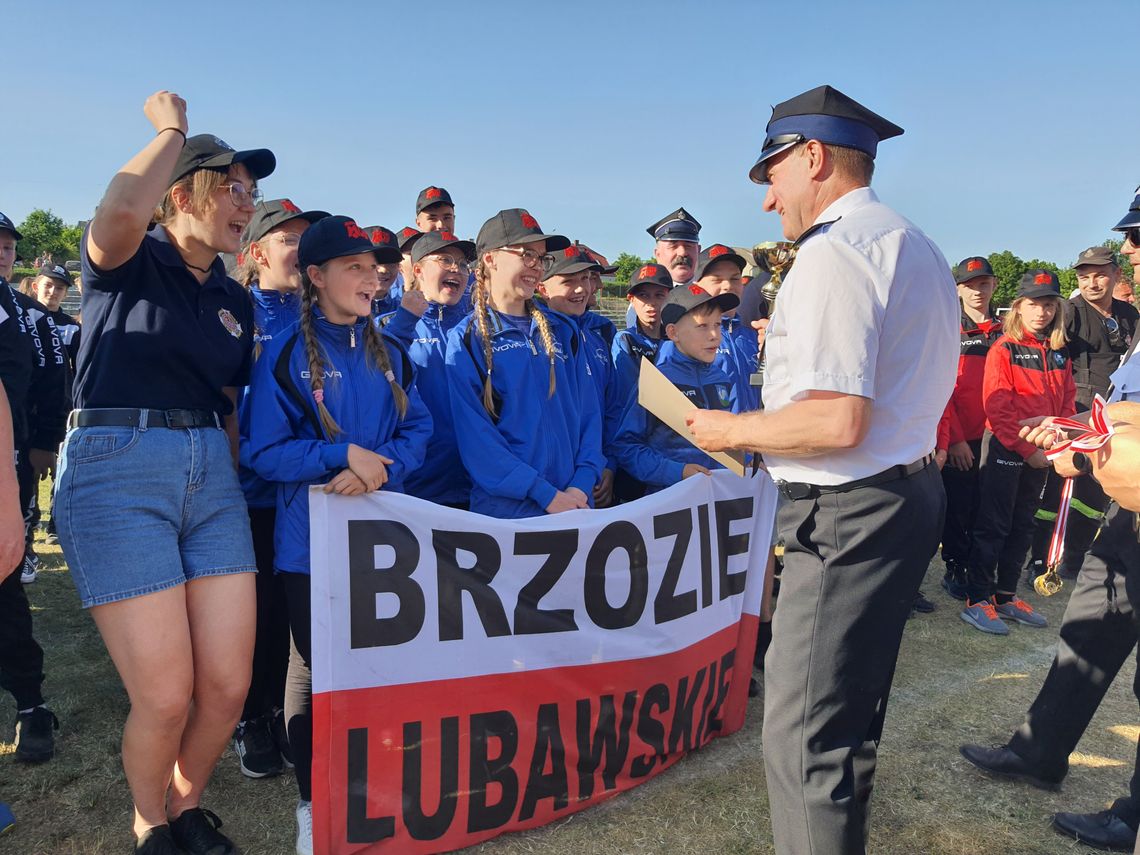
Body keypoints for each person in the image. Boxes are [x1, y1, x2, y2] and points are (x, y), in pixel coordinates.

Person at [685, 85, 958, 854]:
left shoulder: (836, 252)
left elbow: (837, 419)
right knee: (845, 727)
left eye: (772, 175)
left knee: (805, 741)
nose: (770, 201)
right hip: (899, 496)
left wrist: (729, 427)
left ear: (812, 157)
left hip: (847, 512)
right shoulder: (916, 243)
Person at [54, 91, 274, 855]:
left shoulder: (235, 303)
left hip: (209, 474)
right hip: (117, 468)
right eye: (232, 187)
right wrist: (172, 133)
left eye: (254, 191)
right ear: (182, 192)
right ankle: (149, 821)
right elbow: (120, 208)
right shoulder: (127, 258)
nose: (247, 203)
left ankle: (184, 807)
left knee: (226, 686)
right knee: (165, 692)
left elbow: (230, 403)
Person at [959, 190, 1140, 852]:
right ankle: (1038, 752)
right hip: (1127, 515)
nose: (1127, 250)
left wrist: (1079, 443)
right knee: (1087, 633)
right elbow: (1115, 416)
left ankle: (1135, 814)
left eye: (1138, 237)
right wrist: (1071, 435)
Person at [246, 214, 431, 855]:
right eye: (353, 267)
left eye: (374, 267)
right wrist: (338, 456)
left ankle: (378, 787)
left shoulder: (393, 353)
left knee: (382, 662)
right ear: (315, 277)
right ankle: (313, 803)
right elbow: (264, 454)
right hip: (309, 544)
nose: (371, 277)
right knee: (317, 667)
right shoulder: (284, 354)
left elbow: (419, 433)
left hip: (385, 540)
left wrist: (379, 469)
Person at [232, 198, 327, 781]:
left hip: (311, 492)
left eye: (305, 239)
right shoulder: (234, 311)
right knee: (255, 618)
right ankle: (252, 717)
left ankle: (295, 716)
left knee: (302, 621)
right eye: (286, 238)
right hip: (247, 494)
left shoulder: (325, 315)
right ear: (256, 252)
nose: (298, 248)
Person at [445, 208, 604, 519]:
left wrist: (580, 486)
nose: (536, 267)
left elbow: (589, 415)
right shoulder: (466, 339)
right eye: (527, 255)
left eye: (541, 259)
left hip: (576, 506)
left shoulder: (564, 330)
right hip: (510, 515)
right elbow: (478, 440)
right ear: (490, 259)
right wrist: (545, 495)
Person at [958, 271, 1074, 634]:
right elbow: (999, 409)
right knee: (993, 524)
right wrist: (1028, 449)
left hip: (1042, 453)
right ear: (1019, 307)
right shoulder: (1003, 348)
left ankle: (1005, 597)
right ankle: (977, 599)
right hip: (1007, 449)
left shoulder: (1059, 353)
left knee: (1023, 523)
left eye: (1049, 305)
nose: (1042, 312)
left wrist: (1057, 440)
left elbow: (1067, 404)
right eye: (1034, 304)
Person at [1028, 246, 1137, 580]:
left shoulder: (1130, 316)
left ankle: (1074, 559)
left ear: (1116, 275)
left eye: (1100, 274)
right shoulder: (1069, 312)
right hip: (1075, 412)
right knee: (1055, 492)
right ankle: (1040, 561)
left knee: (1093, 496)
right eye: (1084, 277)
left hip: (1119, 415)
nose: (1092, 283)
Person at [0, 211, 61, 763]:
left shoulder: (28, 316)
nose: (0, 251)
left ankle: (30, 704)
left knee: (4, 585)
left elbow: (48, 381)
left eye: (7, 244)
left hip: (8, 462)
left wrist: (42, 442)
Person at [613, 284, 743, 491]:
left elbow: (733, 436)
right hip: (671, 503)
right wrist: (676, 472)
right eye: (702, 326)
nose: (714, 335)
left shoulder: (722, 377)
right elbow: (626, 446)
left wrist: (750, 465)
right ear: (673, 333)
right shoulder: (656, 382)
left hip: (719, 498)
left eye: (718, 324)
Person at [383, 229, 475, 507]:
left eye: (462, 264)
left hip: (477, 488)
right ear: (419, 269)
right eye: (445, 260)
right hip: (415, 490)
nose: (456, 269)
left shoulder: (480, 328)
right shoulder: (387, 327)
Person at [939, 257, 1003, 600]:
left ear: (993, 285)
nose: (977, 291)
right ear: (958, 289)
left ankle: (982, 566)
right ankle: (955, 566)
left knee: (987, 507)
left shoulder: (1006, 332)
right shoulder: (948, 329)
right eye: (969, 284)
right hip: (961, 437)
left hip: (997, 437)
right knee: (959, 506)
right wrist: (956, 439)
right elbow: (941, 388)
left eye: (983, 283)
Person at [538, 245, 621, 507]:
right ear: (542, 288)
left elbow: (610, 409)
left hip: (589, 481)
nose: (580, 289)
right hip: (547, 488)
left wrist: (608, 464)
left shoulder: (601, 336)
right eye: (568, 281)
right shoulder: (531, 337)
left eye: (585, 279)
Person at [30, 263, 81, 548]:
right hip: (27, 407)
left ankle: (55, 523)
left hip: (62, 406)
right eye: (48, 285)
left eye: (59, 288)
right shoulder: (22, 317)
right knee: (27, 466)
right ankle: (30, 514)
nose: (53, 292)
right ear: (36, 285)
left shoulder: (70, 327)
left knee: (61, 465)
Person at [693, 243, 761, 410]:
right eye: (717, 279)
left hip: (755, 432)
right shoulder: (688, 340)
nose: (728, 286)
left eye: (735, 278)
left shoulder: (755, 337)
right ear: (697, 286)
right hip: (712, 433)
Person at [611, 262, 672, 403]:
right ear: (631, 299)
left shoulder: (677, 339)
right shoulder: (625, 340)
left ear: (670, 297)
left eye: (659, 295)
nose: (651, 303)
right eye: (643, 295)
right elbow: (630, 391)